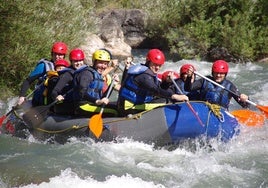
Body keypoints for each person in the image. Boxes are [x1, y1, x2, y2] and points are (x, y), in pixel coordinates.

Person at [118, 49, 189, 116]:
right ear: (148, 61)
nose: (157, 67)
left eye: (159, 65)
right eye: (155, 64)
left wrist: (167, 82)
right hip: (128, 107)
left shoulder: (146, 72)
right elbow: (155, 90)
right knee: (165, 101)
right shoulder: (143, 76)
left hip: (136, 103)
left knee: (164, 98)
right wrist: (174, 96)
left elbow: (159, 87)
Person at [17, 42, 68, 106]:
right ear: (52, 54)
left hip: (56, 99)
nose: (57, 57)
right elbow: (28, 81)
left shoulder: (66, 67)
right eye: (55, 54)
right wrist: (21, 96)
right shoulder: (44, 66)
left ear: (64, 56)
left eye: (60, 55)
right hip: (40, 101)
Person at [184, 60, 249, 109]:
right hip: (203, 110)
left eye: (221, 73)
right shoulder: (205, 80)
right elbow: (188, 88)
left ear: (225, 74)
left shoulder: (230, 86)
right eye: (216, 73)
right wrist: (189, 77)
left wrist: (245, 99)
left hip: (220, 114)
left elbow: (245, 105)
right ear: (212, 73)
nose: (218, 75)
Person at [72, 49, 118, 117]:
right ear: (94, 62)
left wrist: (112, 85)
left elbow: (104, 97)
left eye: (105, 64)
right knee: (114, 111)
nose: (103, 66)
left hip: (93, 104)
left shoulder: (98, 76)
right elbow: (81, 92)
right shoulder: (87, 74)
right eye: (100, 63)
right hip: (83, 106)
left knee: (118, 106)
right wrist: (97, 101)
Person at [50, 48, 85, 115]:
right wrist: (57, 97)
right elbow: (54, 92)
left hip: (77, 103)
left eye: (80, 61)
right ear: (71, 62)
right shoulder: (67, 75)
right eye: (75, 61)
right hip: (65, 105)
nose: (78, 63)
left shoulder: (84, 72)